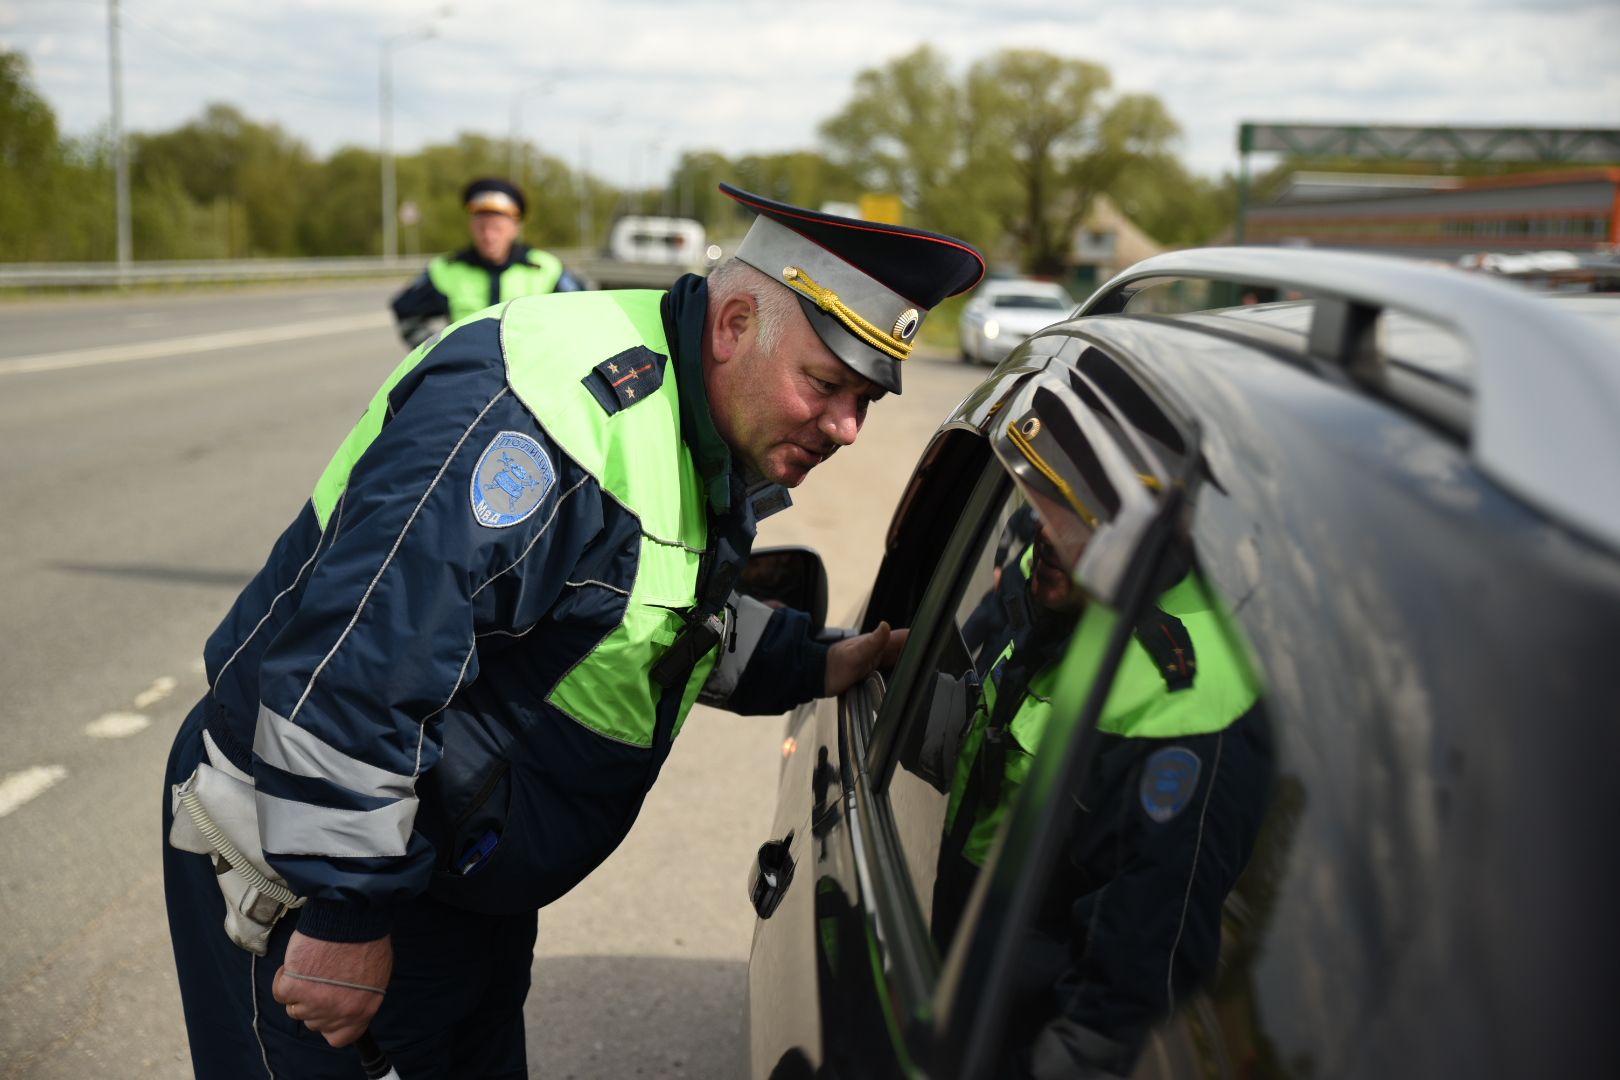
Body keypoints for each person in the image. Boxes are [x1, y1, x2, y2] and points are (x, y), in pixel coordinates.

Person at [163, 182, 985, 1078]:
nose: (847, 428)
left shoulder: (695, 422)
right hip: (312, 869)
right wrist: (345, 917)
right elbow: (362, 659)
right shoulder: (543, 412)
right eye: (825, 385)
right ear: (734, 324)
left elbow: (638, 615)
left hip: (453, 884)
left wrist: (817, 660)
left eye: (866, 399)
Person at [924, 407, 1272, 1077]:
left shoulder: (1189, 708)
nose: (1044, 532)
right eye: (1047, 498)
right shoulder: (1055, 574)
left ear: (1163, 529)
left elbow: (1117, 1008)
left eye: (1081, 514)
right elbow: (987, 713)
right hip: (962, 987)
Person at [389, 177, 587, 348]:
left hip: (530, 374)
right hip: (468, 374)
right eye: (481, 227)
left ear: (515, 228)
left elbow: (583, 314)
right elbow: (406, 313)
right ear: (471, 226)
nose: (488, 236)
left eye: (497, 228)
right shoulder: (445, 270)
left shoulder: (546, 268)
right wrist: (439, 354)